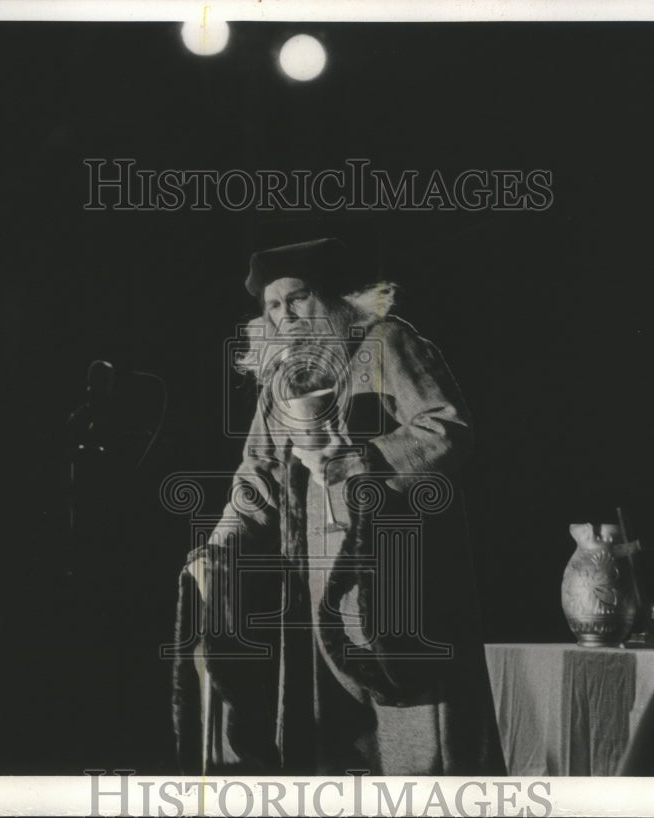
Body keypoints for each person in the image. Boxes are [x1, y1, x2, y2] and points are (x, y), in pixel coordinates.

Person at [171, 237, 505, 776]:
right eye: (274, 306)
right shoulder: (278, 378)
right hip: (316, 591)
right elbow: (255, 478)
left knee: (423, 751)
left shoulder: (387, 343)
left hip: (399, 579)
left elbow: (447, 426)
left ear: (331, 298)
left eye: (298, 298)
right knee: (335, 749)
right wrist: (219, 548)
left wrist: (356, 463)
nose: (287, 315)